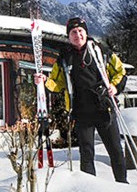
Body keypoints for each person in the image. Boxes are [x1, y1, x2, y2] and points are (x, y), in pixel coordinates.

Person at [34, 17, 128, 183]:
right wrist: (44, 81)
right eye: (73, 32)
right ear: (69, 37)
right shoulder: (64, 58)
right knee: (86, 153)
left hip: (104, 108)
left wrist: (114, 87)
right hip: (81, 111)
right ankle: (89, 189)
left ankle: (122, 183)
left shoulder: (101, 51)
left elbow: (120, 72)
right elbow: (57, 84)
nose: (77, 35)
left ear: (86, 33)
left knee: (115, 150)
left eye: (80, 31)